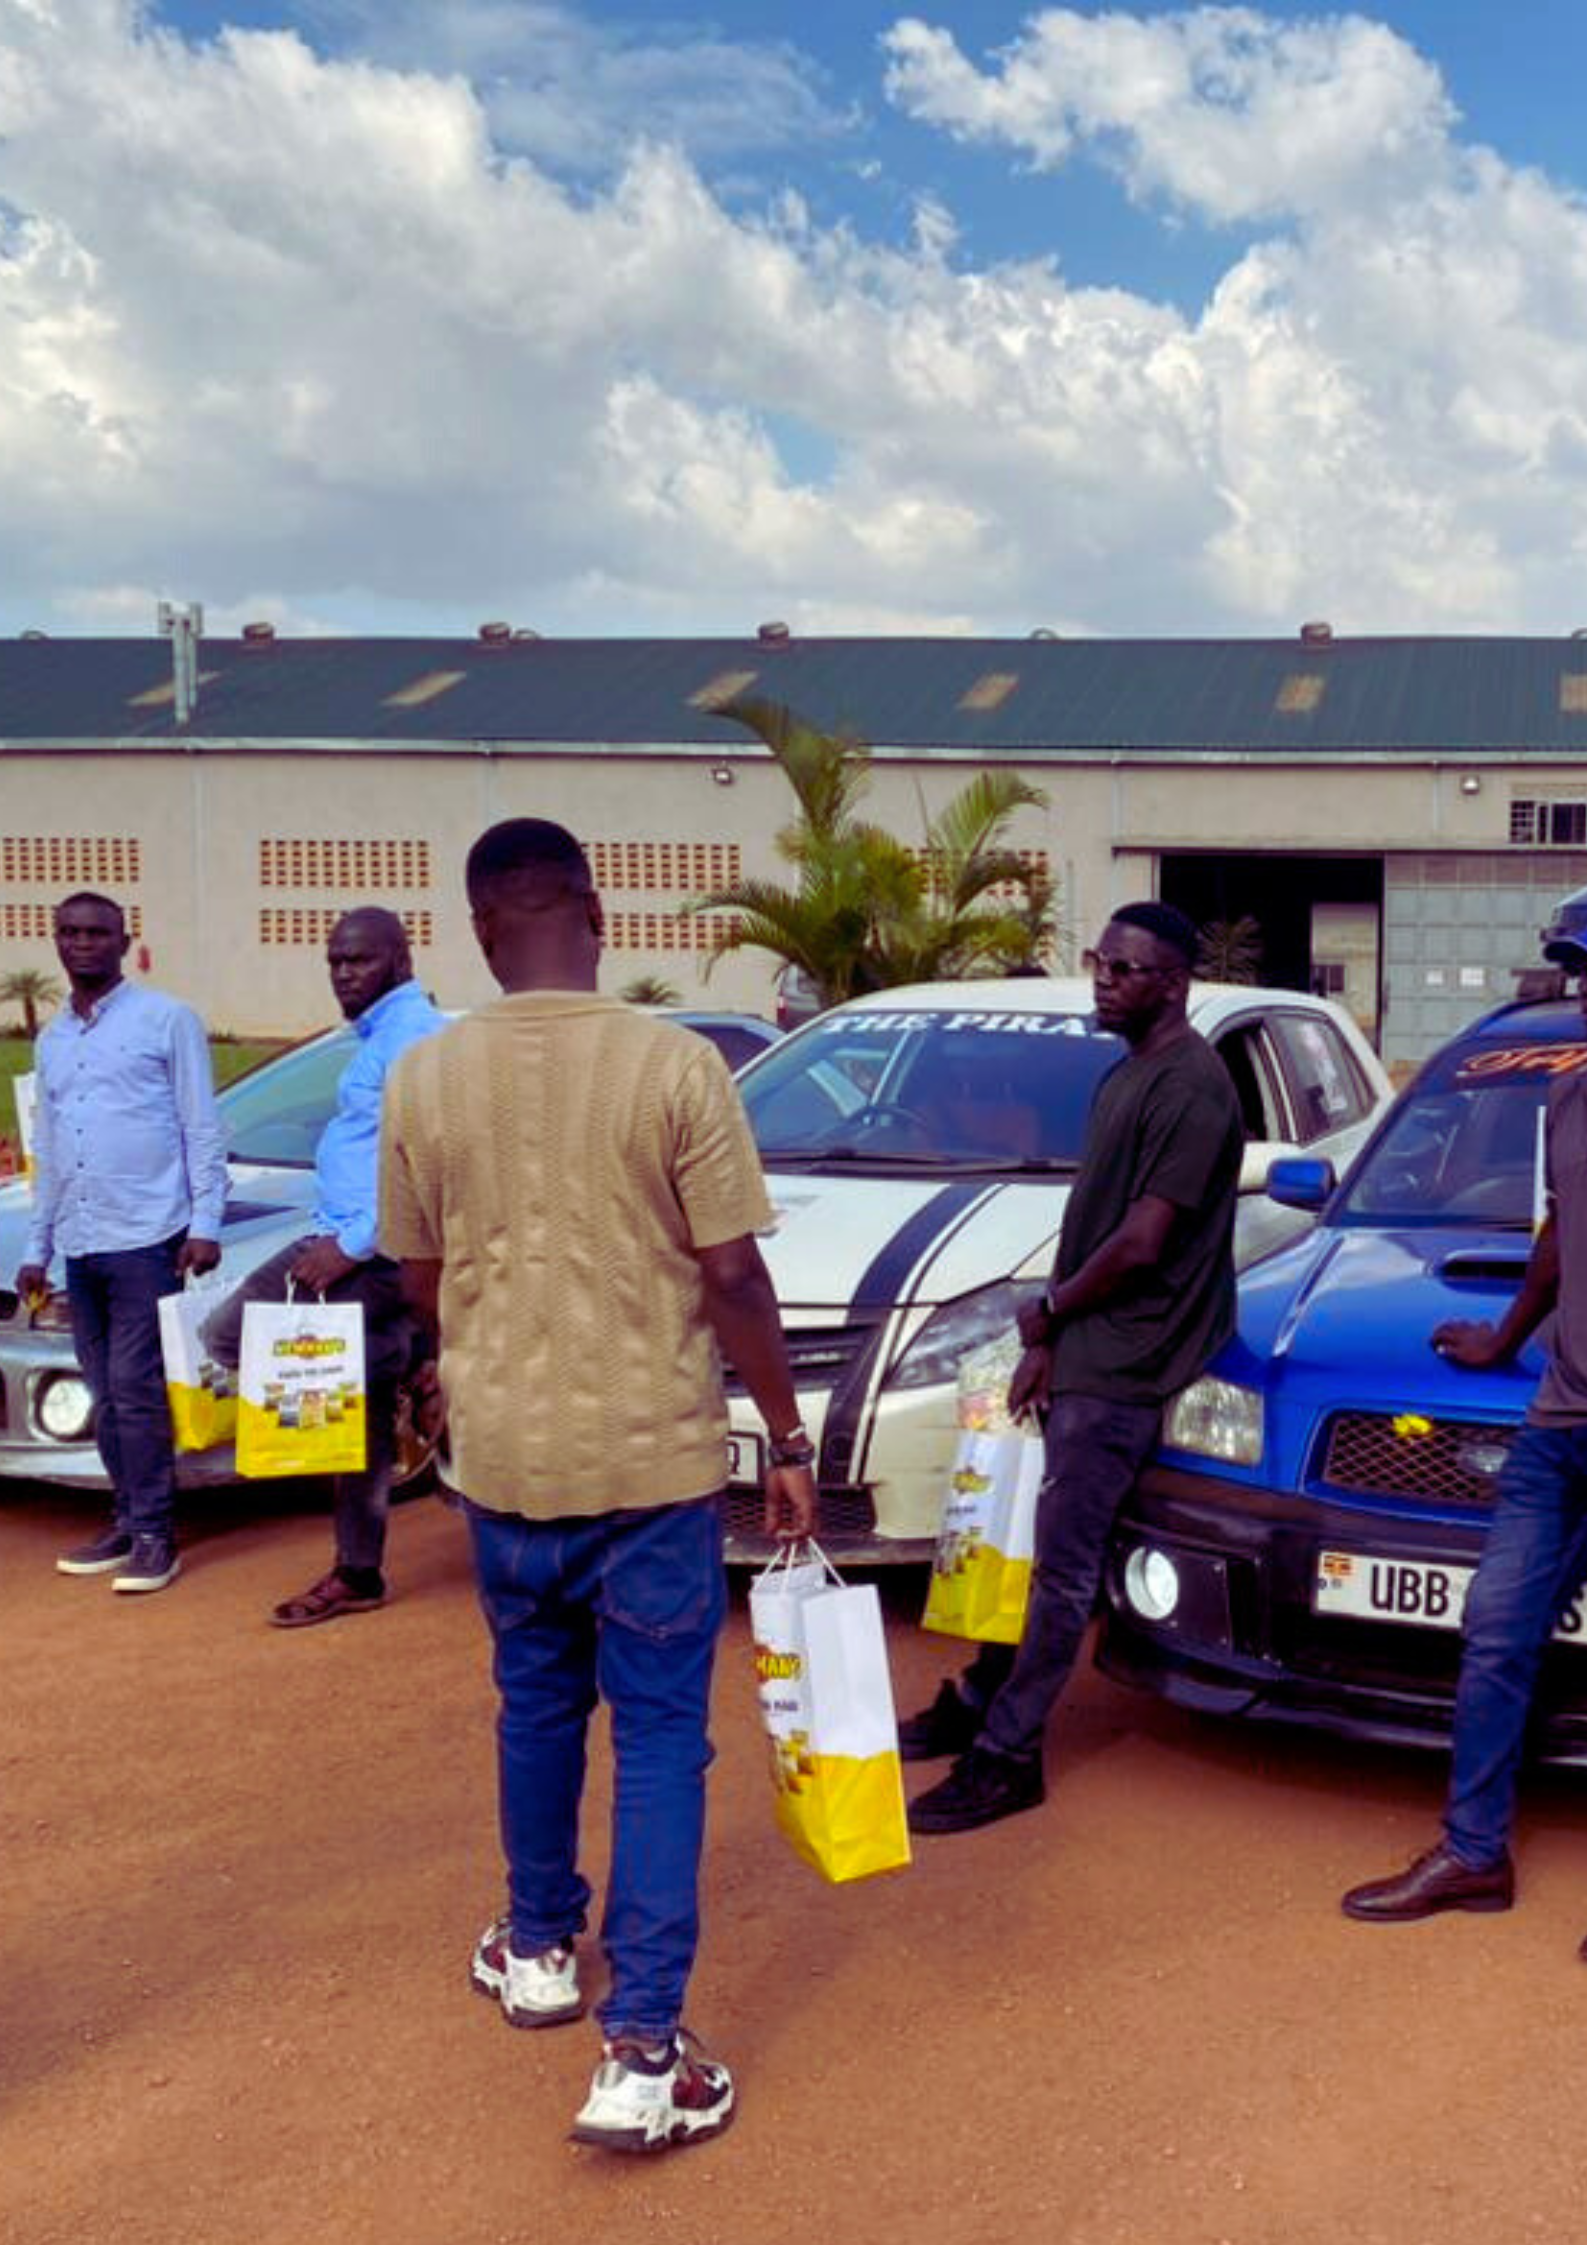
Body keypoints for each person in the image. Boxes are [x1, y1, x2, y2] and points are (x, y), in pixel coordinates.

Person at [378, 817, 815, 2156]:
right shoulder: (675, 1065)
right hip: (649, 1466)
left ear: (477, 928)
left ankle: (537, 1950)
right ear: (594, 913)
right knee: (661, 1742)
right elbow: (734, 1276)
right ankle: (641, 2054)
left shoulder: (424, 1077)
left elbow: (412, 1273)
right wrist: (787, 1442)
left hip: (504, 1464)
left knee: (533, 1709)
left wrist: (464, 1360)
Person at [903, 901, 1244, 1835]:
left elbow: (1140, 1243)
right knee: (1010, 1533)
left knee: (1060, 1568)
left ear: (1171, 983)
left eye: (1127, 969)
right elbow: (1092, 1223)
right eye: (1101, 961)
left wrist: (1052, 1315)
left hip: (1128, 1357)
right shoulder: (1121, 1076)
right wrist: (1044, 1335)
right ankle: (979, 1694)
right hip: (1080, 1339)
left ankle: (1006, 1757)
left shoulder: (1193, 1089)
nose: (1104, 979)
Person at [1341, 898, 1587, 1933]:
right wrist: (1502, 1333)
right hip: (1564, 1421)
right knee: (1495, 1631)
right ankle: (1475, 1853)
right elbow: (1562, 1228)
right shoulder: (1570, 1093)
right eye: (1578, 970)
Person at [202, 908, 444, 1627]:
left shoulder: (413, 1037)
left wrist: (355, 1244)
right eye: (335, 961)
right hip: (347, 1241)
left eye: (359, 960)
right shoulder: (377, 1032)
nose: (343, 973)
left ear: (400, 959)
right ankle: (359, 1567)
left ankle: (401, 1374)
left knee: (226, 1334)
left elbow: (425, 1164)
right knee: (355, 1406)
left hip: (361, 1251)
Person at [17, 891, 227, 1594]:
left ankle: (154, 1535)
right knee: (104, 1393)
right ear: (55, 941)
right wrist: (35, 1249)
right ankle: (125, 1514)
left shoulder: (165, 1020)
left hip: (147, 1238)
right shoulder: (52, 1040)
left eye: (96, 932)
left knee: (136, 1391)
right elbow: (48, 1147)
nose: (82, 943)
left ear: (122, 939)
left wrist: (205, 1225)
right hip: (82, 1243)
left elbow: (201, 1126)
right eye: (69, 932)